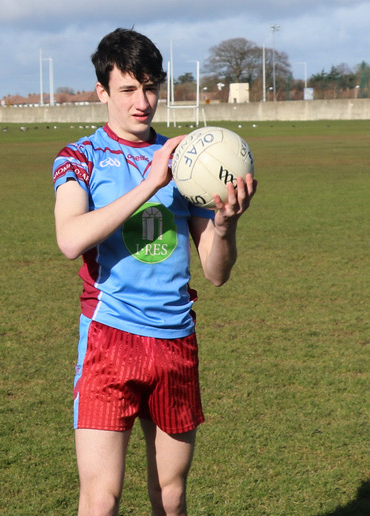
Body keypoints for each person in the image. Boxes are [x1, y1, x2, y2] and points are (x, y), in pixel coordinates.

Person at [52, 27, 256, 516]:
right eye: (127, 89)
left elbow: (215, 273)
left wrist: (225, 227)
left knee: (171, 493)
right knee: (101, 498)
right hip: (109, 339)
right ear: (102, 91)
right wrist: (148, 183)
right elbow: (71, 238)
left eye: (150, 86)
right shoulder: (80, 157)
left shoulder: (190, 164)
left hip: (175, 341)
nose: (141, 102)